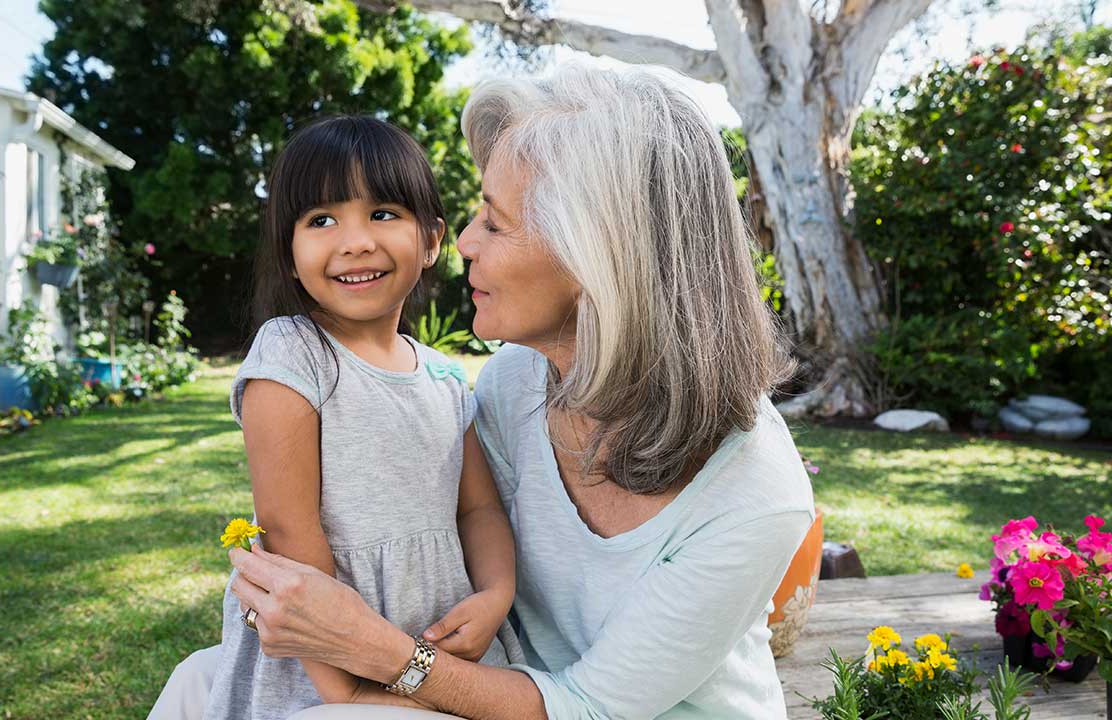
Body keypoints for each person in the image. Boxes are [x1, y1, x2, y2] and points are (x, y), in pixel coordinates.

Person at [156, 60, 815, 720]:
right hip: (497, 681)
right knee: (198, 683)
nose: (462, 240)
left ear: (598, 258)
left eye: (495, 223)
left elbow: (587, 707)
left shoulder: (754, 493)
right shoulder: (514, 381)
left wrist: (378, 655)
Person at [147, 116, 525, 720]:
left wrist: (495, 595)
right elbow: (287, 530)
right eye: (321, 220)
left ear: (431, 240)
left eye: (382, 214)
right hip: (319, 666)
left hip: (433, 644)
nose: (355, 241)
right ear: (291, 254)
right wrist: (345, 687)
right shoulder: (293, 354)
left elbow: (477, 508)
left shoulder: (447, 380)